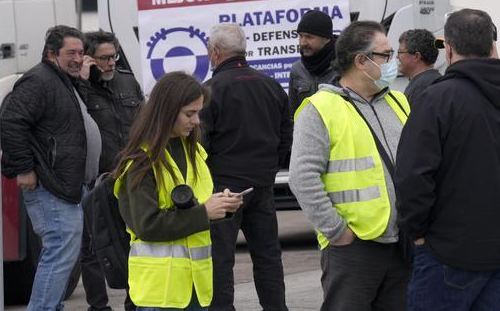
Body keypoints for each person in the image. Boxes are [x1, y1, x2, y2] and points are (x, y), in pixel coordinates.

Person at [396, 9, 500, 310]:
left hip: (445, 254)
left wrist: (420, 234)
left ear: (449, 49)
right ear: (493, 46)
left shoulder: (436, 100)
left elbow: (412, 176)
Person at [289, 20, 411, 311]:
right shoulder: (321, 108)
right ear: (361, 61)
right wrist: (337, 232)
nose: (394, 62)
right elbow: (302, 178)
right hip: (354, 246)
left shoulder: (399, 101)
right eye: (386, 55)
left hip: (401, 242)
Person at [113, 72, 244, 311]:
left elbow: (199, 206)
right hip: (160, 293)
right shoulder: (141, 162)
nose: (196, 121)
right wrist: (204, 213)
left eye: (198, 113)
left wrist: (222, 206)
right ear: (167, 111)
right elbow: (147, 225)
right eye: (189, 114)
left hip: (195, 288)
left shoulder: (193, 153)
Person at [1, 25, 103, 311]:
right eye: (71, 52)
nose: (77, 58)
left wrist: (81, 81)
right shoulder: (38, 81)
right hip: (50, 185)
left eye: (81, 53)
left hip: (65, 184)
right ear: (51, 53)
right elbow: (11, 123)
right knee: (60, 253)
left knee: (64, 255)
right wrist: (24, 169)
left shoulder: (61, 80)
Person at [201, 24, 292, 311]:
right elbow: (286, 137)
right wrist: (269, 169)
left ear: (215, 52)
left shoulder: (210, 91)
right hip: (262, 186)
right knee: (268, 257)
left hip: (223, 188)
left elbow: (201, 144)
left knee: (220, 261)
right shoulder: (271, 85)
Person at [79, 30, 145, 311]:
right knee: (92, 246)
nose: (110, 63)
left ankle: (135, 300)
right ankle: (98, 306)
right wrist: (81, 81)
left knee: (132, 241)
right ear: (89, 60)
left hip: (129, 175)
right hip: (96, 179)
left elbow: (144, 122)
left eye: (113, 57)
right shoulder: (78, 87)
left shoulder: (127, 82)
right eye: (104, 58)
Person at [289, 9, 338, 115]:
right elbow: (292, 115)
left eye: (309, 37)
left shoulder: (344, 67)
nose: (303, 42)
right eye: (301, 36)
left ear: (326, 38)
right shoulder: (296, 69)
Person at [396, 29, 440, 106]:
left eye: (400, 52)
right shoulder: (434, 79)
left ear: (416, 56)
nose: (397, 57)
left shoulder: (420, 87)